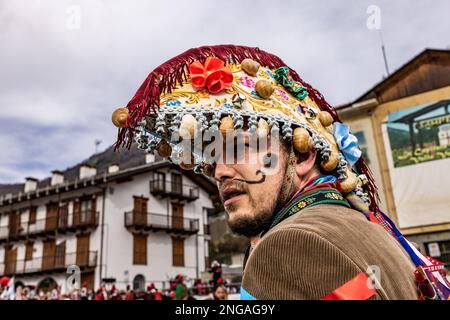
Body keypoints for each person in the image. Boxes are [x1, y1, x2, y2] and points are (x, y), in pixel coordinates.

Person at [111, 45, 450, 300]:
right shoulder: (377, 233)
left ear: (302, 156)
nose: (221, 171)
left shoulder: (288, 247)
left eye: (240, 148)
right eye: (214, 158)